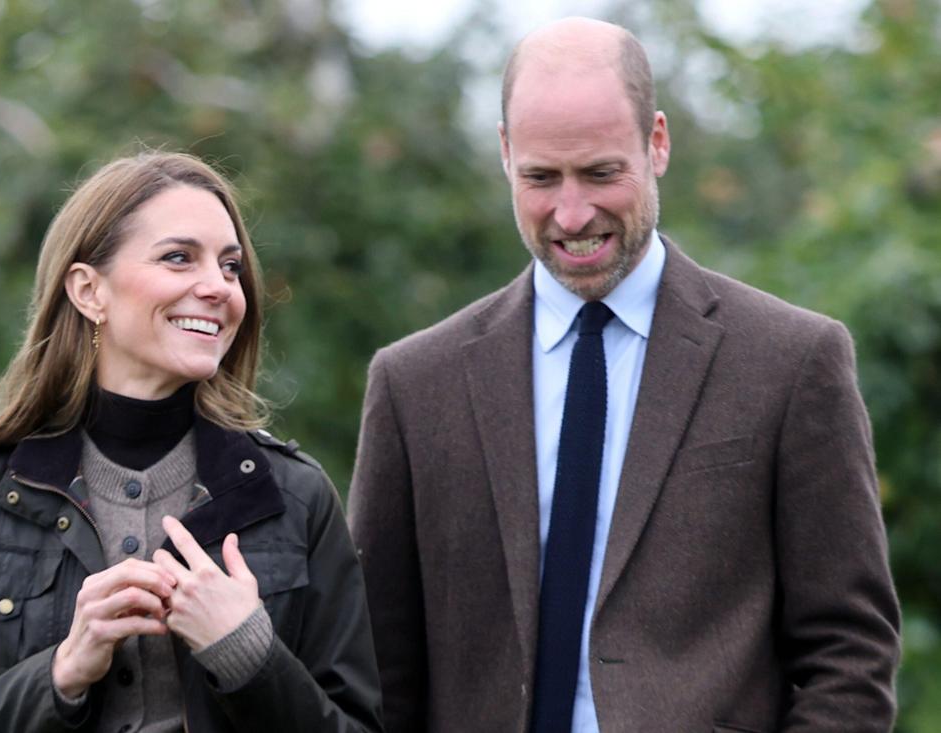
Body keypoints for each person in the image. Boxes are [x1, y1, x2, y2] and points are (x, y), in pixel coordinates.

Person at [347, 17, 900, 733]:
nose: (572, 214)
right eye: (541, 177)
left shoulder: (793, 361)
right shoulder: (413, 385)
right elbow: (376, 673)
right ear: (504, 154)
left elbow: (849, 653)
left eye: (602, 173)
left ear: (658, 142)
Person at [0, 151, 383, 732]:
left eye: (230, 268)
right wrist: (62, 673)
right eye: (179, 258)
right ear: (88, 290)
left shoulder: (297, 497)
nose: (219, 288)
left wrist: (250, 655)